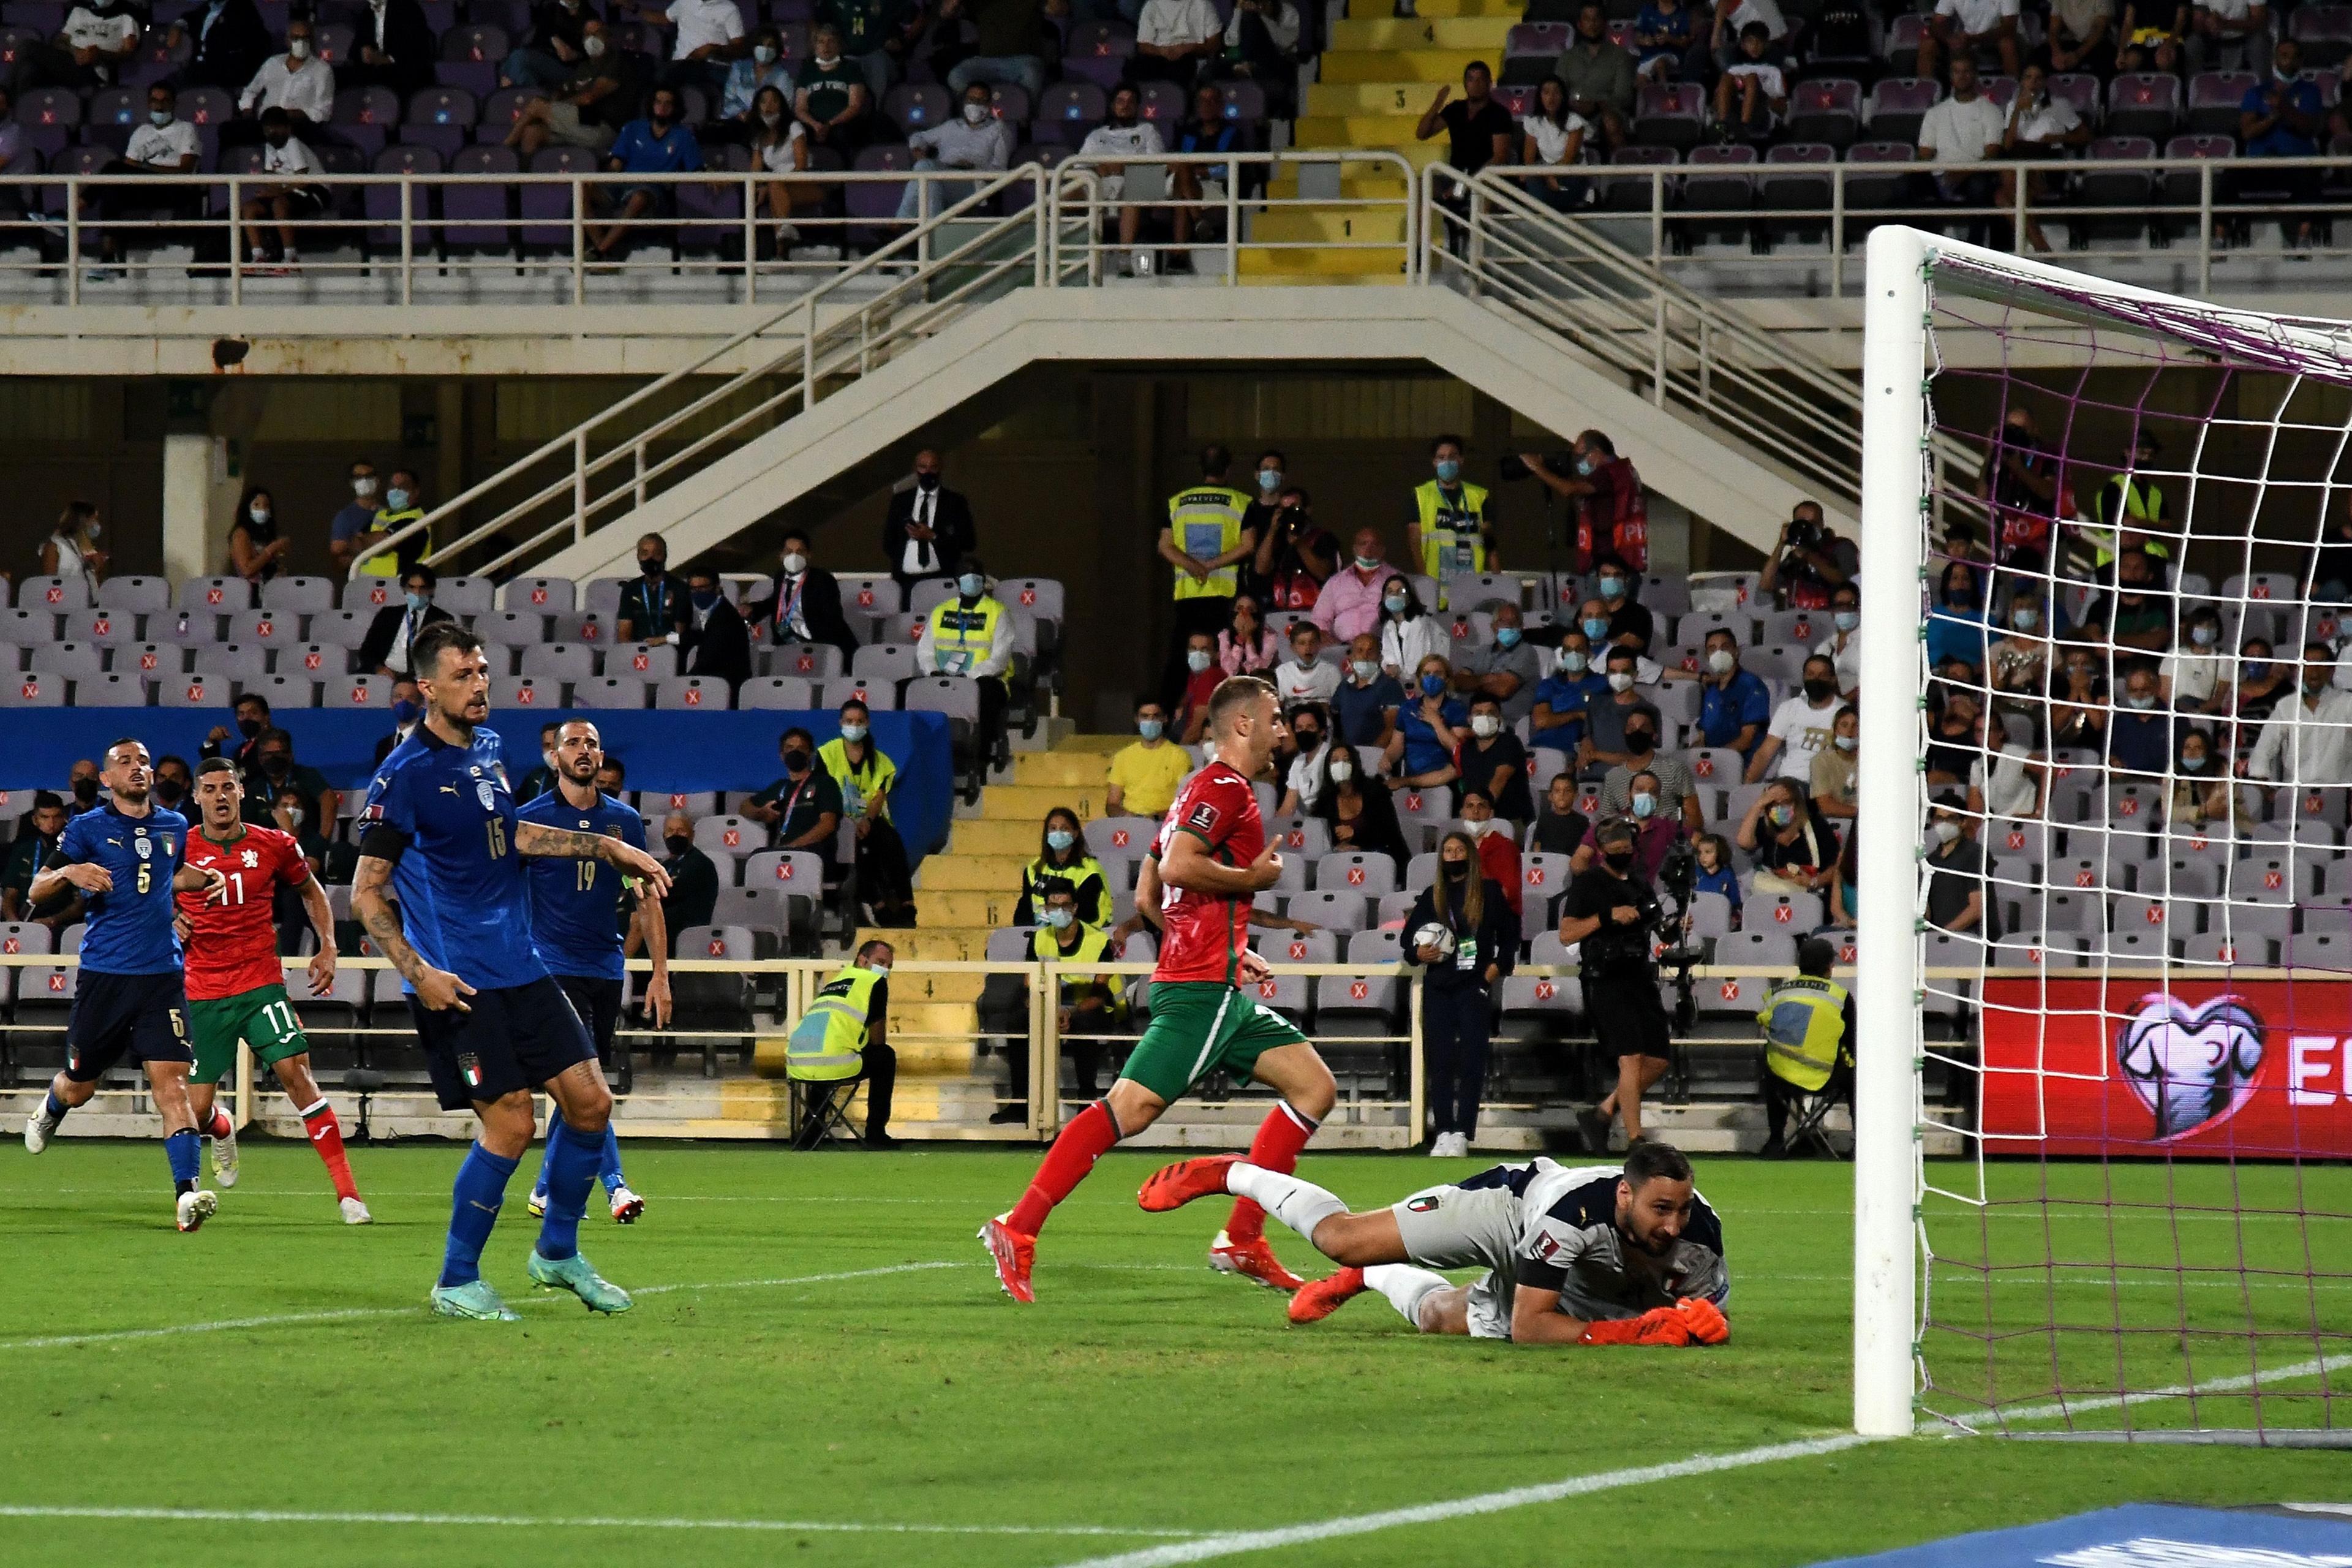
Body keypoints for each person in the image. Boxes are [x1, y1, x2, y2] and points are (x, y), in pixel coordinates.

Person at [980, 676, 1340, 1302]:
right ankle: (1019, 1226)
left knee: (1314, 1086)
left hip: (1214, 983)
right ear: (1244, 725)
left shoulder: (1194, 791)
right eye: (1276, 717)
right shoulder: (1225, 787)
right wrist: (1249, 879)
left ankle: (1242, 1237)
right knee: (1128, 1110)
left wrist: (1232, 944)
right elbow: (1176, 867)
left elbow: (1150, 892)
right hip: (1201, 992)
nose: (1285, 729)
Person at [353, 624, 671, 1319]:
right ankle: (456, 1278)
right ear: (427, 687)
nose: (479, 685)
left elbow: (514, 835)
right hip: (458, 984)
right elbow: (366, 890)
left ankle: (557, 1253)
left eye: (483, 671)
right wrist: (420, 971)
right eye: (463, 675)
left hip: (522, 968)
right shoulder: (404, 775)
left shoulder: (490, 751)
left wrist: (605, 847)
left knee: (590, 1104)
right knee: (512, 1124)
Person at [1139, 1140, 1730, 1348]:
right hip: (1510, 1210)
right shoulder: (1572, 1214)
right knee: (1345, 1239)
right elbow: (1531, 1328)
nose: (1673, 1226)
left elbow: (1704, 1315)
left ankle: (1373, 1279)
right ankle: (1233, 1173)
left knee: (1436, 1317)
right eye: (1660, 1209)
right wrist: (1628, 1333)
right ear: (1625, 1196)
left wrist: (1702, 1325)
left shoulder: (1700, 1236)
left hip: (1576, 1274)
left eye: (1680, 1209)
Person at [21, 740, 230, 1233]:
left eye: (143, 762)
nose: (137, 768)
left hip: (162, 978)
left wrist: (204, 879)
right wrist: (71, 871)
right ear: (108, 780)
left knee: (173, 1086)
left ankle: (186, 1195)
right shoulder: (87, 828)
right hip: (106, 978)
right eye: (125, 763)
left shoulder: (174, 825)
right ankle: (52, 1108)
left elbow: (164, 875)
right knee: (81, 1085)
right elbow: (36, 889)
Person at [175, 756, 369, 1222]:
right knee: (194, 1111)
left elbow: (312, 891)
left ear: (242, 793)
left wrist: (327, 946)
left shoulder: (275, 844)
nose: (220, 796)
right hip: (202, 989)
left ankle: (349, 1196)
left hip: (260, 982)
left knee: (295, 1073)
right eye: (210, 789)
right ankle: (221, 1125)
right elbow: (143, 898)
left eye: (228, 787)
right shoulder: (176, 849)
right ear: (197, 797)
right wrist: (169, 919)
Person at [518, 720, 668, 1220]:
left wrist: (661, 975)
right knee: (590, 1082)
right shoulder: (529, 820)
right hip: (550, 968)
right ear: (554, 756)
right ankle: (616, 1188)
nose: (585, 751)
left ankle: (544, 1187)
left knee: (578, 1090)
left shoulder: (625, 822)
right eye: (574, 744)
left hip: (605, 967)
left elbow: (646, 899)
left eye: (593, 744)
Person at [1561, 815, 1673, 1150]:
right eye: (1616, 848)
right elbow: (1566, 934)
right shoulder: (1588, 883)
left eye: (1628, 847)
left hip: (1639, 974)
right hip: (1606, 979)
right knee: (1631, 1058)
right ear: (1602, 850)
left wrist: (1674, 925)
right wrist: (1607, 917)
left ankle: (1603, 1112)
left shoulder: (1639, 882)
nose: (1623, 853)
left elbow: (1659, 928)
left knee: (1657, 1058)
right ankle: (1636, 1139)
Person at [1405, 829, 1518, 1155]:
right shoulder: (1432, 896)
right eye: (1448, 851)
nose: (1453, 855)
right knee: (1440, 1060)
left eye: (1459, 850)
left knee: (1472, 1058)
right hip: (1439, 986)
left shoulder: (1489, 891)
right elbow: (1408, 942)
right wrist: (1419, 954)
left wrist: (1497, 968)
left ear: (1470, 855)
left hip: (1474, 986)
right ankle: (1442, 1130)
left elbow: (1510, 936)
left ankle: (1463, 1133)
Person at [1001, 883, 1119, 1120]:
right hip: (1048, 1005)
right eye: (1053, 906)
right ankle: (1020, 1103)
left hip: (1086, 1006)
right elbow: (1030, 985)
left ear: (1075, 907)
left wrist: (1070, 1012)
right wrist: (1051, 1011)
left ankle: (1086, 1103)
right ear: (1045, 908)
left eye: (1065, 905)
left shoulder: (1099, 940)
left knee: (1085, 1027)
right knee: (1017, 1024)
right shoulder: (1039, 939)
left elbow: (1099, 992)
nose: (1059, 911)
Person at [1160, 443, 1256, 703]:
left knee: (1181, 658)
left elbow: (1165, 546)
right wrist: (1211, 566)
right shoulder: (1241, 502)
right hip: (1224, 595)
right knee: (1224, 658)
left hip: (1187, 595)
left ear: (1201, 468)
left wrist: (1193, 567)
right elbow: (1248, 545)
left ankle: (1167, 715)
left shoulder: (1176, 502)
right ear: (1229, 468)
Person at [785, 940, 899, 1148]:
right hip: (832, 1063)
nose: (884, 970)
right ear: (862, 960)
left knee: (827, 1060)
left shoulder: (835, 982)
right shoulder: (874, 982)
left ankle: (809, 1135)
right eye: (880, 962)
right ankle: (876, 1134)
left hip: (797, 1064)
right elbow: (877, 1039)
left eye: (889, 966)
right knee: (885, 1056)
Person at [1755, 937, 1853, 1158]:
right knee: (1857, 1071)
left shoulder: (1777, 994)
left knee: (1770, 1061)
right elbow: (1852, 1042)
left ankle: (1776, 1140)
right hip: (1825, 1079)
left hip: (1782, 1079)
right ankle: (1862, 1143)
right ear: (1830, 966)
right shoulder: (1840, 998)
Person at [821, 699, 916, 927]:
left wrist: (866, 820)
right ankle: (877, 904)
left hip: (869, 820)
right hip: (839, 819)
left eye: (859, 721)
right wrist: (849, 821)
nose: (854, 726)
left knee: (890, 842)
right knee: (857, 850)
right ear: (841, 723)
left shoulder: (881, 761)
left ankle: (907, 904)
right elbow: (824, 791)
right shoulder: (826, 754)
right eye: (849, 721)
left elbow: (878, 797)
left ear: (868, 724)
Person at [589, 85, 704, 260]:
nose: (662, 107)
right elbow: (616, 164)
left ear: (675, 107)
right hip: (621, 185)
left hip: (654, 191)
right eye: (658, 102)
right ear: (651, 104)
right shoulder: (633, 128)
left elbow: (696, 169)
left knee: (639, 198)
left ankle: (600, 251)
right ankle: (603, 250)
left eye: (668, 103)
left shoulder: (683, 136)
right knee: (582, 189)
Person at [922, 557, 1017, 766]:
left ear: (984, 579)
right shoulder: (941, 611)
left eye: (976, 575)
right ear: (957, 580)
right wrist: (933, 672)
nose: (972, 579)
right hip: (943, 678)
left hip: (986, 680)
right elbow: (925, 651)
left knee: (984, 693)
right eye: (966, 574)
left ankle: (980, 762)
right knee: (907, 689)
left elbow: (999, 660)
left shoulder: (998, 612)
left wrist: (968, 677)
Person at [1518, 432, 1649, 575]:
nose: (1578, 462)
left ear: (1596, 452)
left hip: (1609, 561)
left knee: (1595, 596)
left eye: (1581, 456)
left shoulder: (1606, 474)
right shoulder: (1624, 469)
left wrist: (1537, 467)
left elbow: (1568, 490)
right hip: (1629, 555)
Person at [504, 15, 631, 157]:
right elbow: (563, 90)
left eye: (597, 33)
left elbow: (588, 98)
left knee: (536, 105)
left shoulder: (616, 62)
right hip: (579, 123)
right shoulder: (584, 67)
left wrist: (548, 108)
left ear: (608, 37)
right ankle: (526, 178)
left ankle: (503, 151)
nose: (592, 39)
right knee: (532, 132)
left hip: (602, 128)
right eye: (588, 35)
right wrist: (551, 106)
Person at [1994, 61, 2089, 251]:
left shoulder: (2059, 105)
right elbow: (2008, 144)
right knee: (2002, 195)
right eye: (2028, 78)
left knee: (2005, 193)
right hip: (2019, 159)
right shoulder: (2014, 105)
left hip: (2048, 159)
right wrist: (2018, 110)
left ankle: (2033, 244)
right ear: (2022, 82)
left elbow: (2085, 135)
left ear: (2045, 82)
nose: (2033, 83)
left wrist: (2058, 137)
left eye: (2038, 78)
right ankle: (2040, 244)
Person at [1077, 84, 1167, 270]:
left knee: (1134, 189)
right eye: (1120, 101)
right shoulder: (1096, 136)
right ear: (1112, 106)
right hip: (1101, 185)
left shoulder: (1148, 131)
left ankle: (1125, 259)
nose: (1125, 106)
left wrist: (1124, 168)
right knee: (1065, 189)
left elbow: (1156, 164)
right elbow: (1078, 167)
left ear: (1137, 107)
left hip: (1137, 184)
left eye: (1130, 102)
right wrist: (1097, 170)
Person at [2245, 642, 2352, 793]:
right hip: (2295, 793)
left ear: (2332, 670)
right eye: (2308, 664)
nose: (2314, 670)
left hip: (2340, 793)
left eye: (2320, 664)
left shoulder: (2348, 703)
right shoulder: (2286, 706)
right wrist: (2267, 790)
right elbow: (2263, 749)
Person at [748, 530, 861, 663]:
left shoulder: (823, 580)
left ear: (808, 555)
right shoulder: (780, 577)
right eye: (789, 552)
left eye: (800, 552)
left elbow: (832, 620)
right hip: (787, 644)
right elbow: (776, 603)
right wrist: (752, 609)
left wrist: (809, 645)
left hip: (821, 645)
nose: (794, 556)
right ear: (781, 555)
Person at [745, 728, 845, 872]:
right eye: (790, 748)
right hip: (782, 853)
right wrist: (760, 813)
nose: (795, 752)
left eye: (801, 748)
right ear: (782, 755)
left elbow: (827, 824)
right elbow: (745, 807)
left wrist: (794, 847)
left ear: (810, 754)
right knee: (756, 859)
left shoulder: (825, 783)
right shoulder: (780, 786)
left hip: (814, 852)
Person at [1408, 434, 1497, 592]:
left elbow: (1489, 543)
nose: (1446, 462)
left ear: (1461, 460)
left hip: (1472, 589)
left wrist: (1497, 579)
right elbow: (1415, 543)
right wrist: (1425, 584)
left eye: (1452, 457)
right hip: (1436, 590)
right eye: (1441, 457)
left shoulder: (1479, 495)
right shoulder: (1421, 495)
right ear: (1434, 462)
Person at [1917, 55, 2006, 208]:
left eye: (1966, 72)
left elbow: (1992, 152)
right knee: (1903, 185)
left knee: (1979, 186)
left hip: (1974, 173)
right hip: (1939, 174)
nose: (1962, 77)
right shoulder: (1935, 112)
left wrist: (1963, 173)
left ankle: (1976, 233)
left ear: (1975, 75)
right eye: (1957, 72)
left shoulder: (1991, 111)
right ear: (1951, 76)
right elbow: (1925, 152)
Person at [881, 448, 977, 591]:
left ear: (940, 468)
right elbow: (889, 541)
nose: (928, 472)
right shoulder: (901, 501)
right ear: (916, 469)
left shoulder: (955, 502)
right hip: (905, 581)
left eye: (933, 467)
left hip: (942, 580)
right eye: (923, 467)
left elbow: (968, 542)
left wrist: (933, 536)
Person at [1747, 654, 1845, 785]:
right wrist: (1746, 786)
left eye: (1822, 675)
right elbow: (1764, 753)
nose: (1816, 679)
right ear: (1804, 678)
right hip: (1787, 784)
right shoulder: (1789, 707)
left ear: (1833, 679)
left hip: (1824, 787)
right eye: (1811, 674)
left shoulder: (1845, 712)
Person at [1597, 712, 1702, 835]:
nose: (1637, 732)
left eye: (1643, 728)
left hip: (1668, 840)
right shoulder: (1613, 777)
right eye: (1632, 728)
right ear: (1625, 734)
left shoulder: (1675, 769)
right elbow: (1608, 821)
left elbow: (1695, 819)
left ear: (1655, 735)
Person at [1555, 2, 1637, 151]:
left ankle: (1621, 171)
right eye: (1587, 19)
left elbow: (1623, 97)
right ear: (1580, 25)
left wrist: (1596, 105)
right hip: (1573, 111)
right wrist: (1573, 105)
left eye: (1596, 19)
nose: (1592, 24)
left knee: (1611, 122)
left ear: (1605, 23)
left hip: (1607, 112)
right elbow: (1558, 90)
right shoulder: (1567, 57)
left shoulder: (1620, 56)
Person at [1740, 776, 1838, 898]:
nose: (1779, 809)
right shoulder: (1766, 826)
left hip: (1810, 894)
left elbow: (1836, 867)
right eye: (1774, 804)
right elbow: (1744, 842)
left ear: (1797, 805)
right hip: (1773, 893)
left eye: (1786, 803)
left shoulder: (1817, 826)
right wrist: (1759, 804)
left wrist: (1815, 882)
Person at [1314, 741, 1409, 863]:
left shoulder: (1376, 792)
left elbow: (1390, 835)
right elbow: (1321, 839)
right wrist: (1337, 847)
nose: (1341, 765)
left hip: (1379, 858)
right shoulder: (1325, 801)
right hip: (1342, 862)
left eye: (1346, 760)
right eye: (1335, 761)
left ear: (1355, 764)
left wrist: (1356, 834)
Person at [357, 564, 454, 680]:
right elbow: (367, 651)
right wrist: (379, 669)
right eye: (412, 587)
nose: (417, 593)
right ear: (404, 589)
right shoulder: (387, 615)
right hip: (384, 673)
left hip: (418, 678)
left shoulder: (443, 620)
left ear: (431, 590)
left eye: (422, 588)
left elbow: (442, 658)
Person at [1251, 482, 1337, 614]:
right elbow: (1261, 569)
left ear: (1307, 510)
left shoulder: (1323, 538)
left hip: (1313, 611)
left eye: (1294, 509)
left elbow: (1323, 573)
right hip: (1277, 612)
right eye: (1284, 510)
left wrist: (1300, 544)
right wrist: (1272, 530)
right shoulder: (1276, 539)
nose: (1290, 515)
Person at [1453, 601, 1542, 725]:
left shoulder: (1526, 652)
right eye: (1502, 621)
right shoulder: (1482, 651)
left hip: (1505, 724)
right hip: (1469, 720)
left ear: (1521, 627)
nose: (1509, 626)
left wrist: (1474, 681)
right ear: (1494, 626)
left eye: (1514, 622)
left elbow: (1503, 689)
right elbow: (1458, 682)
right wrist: (1488, 679)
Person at [1016, 806, 1108, 925]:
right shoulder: (1033, 869)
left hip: (1087, 935)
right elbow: (1022, 914)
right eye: (1053, 829)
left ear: (1075, 833)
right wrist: (1036, 919)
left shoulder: (1090, 870)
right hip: (1040, 934)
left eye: (1064, 829)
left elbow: (1088, 914)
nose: (1058, 833)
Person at [1757, 500, 1856, 612]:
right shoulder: (1794, 557)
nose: (1806, 529)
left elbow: (1844, 582)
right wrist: (1781, 544)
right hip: (1797, 622)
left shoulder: (1840, 547)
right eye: (1801, 523)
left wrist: (1808, 555)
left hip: (1829, 621)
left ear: (1821, 524)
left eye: (1811, 523)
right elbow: (1766, 585)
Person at [1391, 654, 1468, 793]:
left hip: (1444, 782)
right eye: (1426, 673)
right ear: (1420, 678)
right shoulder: (1408, 708)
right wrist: (1387, 760)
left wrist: (1436, 722)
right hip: (1409, 782)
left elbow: (1457, 750)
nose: (1431, 678)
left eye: (1438, 673)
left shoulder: (1457, 709)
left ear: (1447, 678)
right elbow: (1396, 745)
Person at [1578, 646, 1657, 780]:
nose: (1619, 677)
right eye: (1613, 672)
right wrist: (1585, 752)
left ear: (1635, 674)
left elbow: (1643, 759)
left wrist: (1596, 755)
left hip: (1628, 783)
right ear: (1606, 674)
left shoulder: (1649, 711)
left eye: (1625, 672)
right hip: (1591, 782)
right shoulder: (1595, 704)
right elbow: (1587, 737)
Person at [1311, 528, 1398, 647]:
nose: (1368, 549)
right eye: (1363, 544)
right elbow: (1320, 618)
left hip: (1382, 647)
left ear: (1383, 550)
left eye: (1375, 544)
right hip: (1341, 648)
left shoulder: (1396, 580)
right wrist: (1322, 633)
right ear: (1354, 549)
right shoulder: (1336, 582)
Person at [1105, 699, 1189, 820]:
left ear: (1165, 719)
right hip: (1130, 824)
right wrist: (1126, 816)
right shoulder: (1123, 756)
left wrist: (1156, 817)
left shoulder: (1180, 756)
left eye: (1155, 716)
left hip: (1163, 824)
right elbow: (1112, 804)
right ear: (1137, 720)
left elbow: (1185, 803)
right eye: (1145, 716)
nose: (1150, 721)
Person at [1695, 628, 1771, 760]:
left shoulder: (1752, 685)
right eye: (1712, 649)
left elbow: (1746, 740)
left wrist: (1715, 758)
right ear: (1707, 655)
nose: (1719, 653)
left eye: (1725, 647)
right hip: (1710, 763)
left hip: (1738, 763)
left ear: (1736, 652)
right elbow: (1702, 737)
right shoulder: (1711, 691)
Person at [2, 793, 77, 928]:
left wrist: (54, 920)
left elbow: (81, 902)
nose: (51, 824)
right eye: (45, 817)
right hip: (25, 921)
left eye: (57, 817)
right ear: (35, 820)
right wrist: (15, 923)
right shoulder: (23, 849)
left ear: (65, 819)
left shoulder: (75, 850)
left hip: (62, 924)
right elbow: (10, 894)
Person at [1455, 695, 1532, 823]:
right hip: (1476, 818)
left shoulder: (1510, 742)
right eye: (1478, 714)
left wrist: (1478, 813)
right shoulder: (1467, 748)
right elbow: (1457, 777)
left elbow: (1499, 781)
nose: (1485, 718)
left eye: (1491, 713)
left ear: (1499, 719)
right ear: (1469, 720)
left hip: (1511, 821)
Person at [1921, 794, 1990, 937]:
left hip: (1967, 940)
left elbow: (1977, 908)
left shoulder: (1975, 853)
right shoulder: (1930, 861)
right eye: (1939, 819)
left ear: (1963, 822)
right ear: (1933, 822)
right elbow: (1926, 913)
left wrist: (1944, 935)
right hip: (1936, 941)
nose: (1944, 824)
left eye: (1951, 819)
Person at [1528, 631, 1605, 758]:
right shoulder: (1549, 685)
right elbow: (1542, 721)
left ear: (1588, 652)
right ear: (1563, 655)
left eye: (1579, 649)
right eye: (1568, 650)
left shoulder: (1602, 684)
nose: (1574, 654)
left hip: (1575, 751)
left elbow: (1601, 721)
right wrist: (1578, 714)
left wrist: (1556, 718)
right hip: (1541, 747)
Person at [646, 809, 718, 944]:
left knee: (641, 919)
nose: (675, 835)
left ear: (692, 835)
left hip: (687, 927)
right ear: (664, 836)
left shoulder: (700, 863)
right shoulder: (666, 864)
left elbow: (668, 892)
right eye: (670, 831)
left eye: (681, 831)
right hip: (664, 923)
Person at [679, 563, 753, 693]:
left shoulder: (725, 617)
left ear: (717, 588)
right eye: (693, 589)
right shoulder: (715, 611)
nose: (698, 593)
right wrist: (668, 639)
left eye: (703, 588)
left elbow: (708, 660)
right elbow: (703, 635)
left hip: (726, 685)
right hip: (715, 679)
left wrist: (682, 682)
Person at [1519, 77, 1590, 211]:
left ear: (1563, 96)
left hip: (1571, 175)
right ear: (1540, 97)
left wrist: (1552, 175)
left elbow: (1569, 159)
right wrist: (1547, 175)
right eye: (1546, 93)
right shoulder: (1533, 122)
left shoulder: (1574, 122)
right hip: (1545, 175)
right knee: (1531, 179)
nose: (1551, 97)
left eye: (1556, 93)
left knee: (1542, 199)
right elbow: (1529, 159)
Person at [1712, 21, 1787, 141]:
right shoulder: (1733, 69)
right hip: (1735, 109)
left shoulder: (1773, 71)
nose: (1755, 46)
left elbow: (1782, 108)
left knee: (1751, 78)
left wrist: (1769, 100)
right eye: (1750, 41)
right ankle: (1722, 126)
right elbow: (1716, 103)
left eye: (1760, 42)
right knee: (1727, 76)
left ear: (1766, 45)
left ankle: (1743, 127)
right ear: (1743, 45)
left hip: (1760, 113)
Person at [1331, 633, 1405, 752]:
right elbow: (1336, 723)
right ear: (1352, 658)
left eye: (1371, 651)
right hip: (1348, 756)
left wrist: (1369, 755)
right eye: (1360, 651)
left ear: (1380, 658)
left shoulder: (1390, 686)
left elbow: (1392, 729)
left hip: (1378, 755)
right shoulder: (1344, 686)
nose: (1365, 656)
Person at [615, 532, 691, 645]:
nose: (650, 559)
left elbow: (681, 633)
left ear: (664, 556)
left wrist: (660, 642)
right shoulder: (631, 589)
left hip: (669, 650)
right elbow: (624, 634)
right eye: (645, 554)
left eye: (656, 554)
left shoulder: (680, 588)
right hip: (637, 651)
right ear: (638, 557)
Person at [1920, 0, 2021, 80]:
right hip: (1971, 40)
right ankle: (1925, 97)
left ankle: (2014, 94)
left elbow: (2009, 29)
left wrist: (1974, 39)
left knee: (2007, 44)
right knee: (1928, 44)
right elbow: (1936, 23)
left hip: (2002, 39)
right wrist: (1950, 39)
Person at [1377, 576, 1446, 680]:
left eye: (1401, 591)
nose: (1395, 595)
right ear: (1383, 598)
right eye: (1390, 592)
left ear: (1409, 598)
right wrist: (1391, 667)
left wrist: (1399, 673)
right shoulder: (1389, 625)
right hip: (1404, 682)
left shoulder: (1420, 623)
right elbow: (1388, 656)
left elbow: (1417, 666)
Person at [329, 459, 387, 576]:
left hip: (387, 575)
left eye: (369, 476)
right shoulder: (345, 516)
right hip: (360, 578)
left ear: (377, 480)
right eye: (359, 477)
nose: (364, 480)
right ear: (352, 482)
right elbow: (337, 550)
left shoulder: (387, 513)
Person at [1275, 703, 1331, 816]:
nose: (1304, 732)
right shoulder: (1298, 762)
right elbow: (1288, 807)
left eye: (1310, 727)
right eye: (1299, 728)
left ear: (1322, 731)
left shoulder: (1331, 756)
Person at [1272, 620, 1341, 709]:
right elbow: (1278, 705)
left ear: (1319, 644)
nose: (1308, 648)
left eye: (1312, 642)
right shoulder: (1282, 671)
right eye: (1302, 643)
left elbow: (1338, 707)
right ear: (1293, 647)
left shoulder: (1332, 672)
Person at [1811, 705, 1859, 824]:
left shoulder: (1873, 760)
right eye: (1844, 725)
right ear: (1836, 730)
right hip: (1835, 822)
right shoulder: (1821, 761)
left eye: (1855, 726)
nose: (1849, 732)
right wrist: (1862, 812)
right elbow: (1826, 806)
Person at [1218, 594, 1281, 676]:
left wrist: (1249, 638)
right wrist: (1239, 642)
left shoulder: (1270, 637)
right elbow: (1229, 670)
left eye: (1250, 610)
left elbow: (1259, 670)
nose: (1244, 614)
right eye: (1239, 609)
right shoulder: (1224, 635)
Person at [1532, 774, 1591, 858]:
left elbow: (1584, 849)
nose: (1562, 795)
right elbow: (1537, 844)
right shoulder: (1544, 819)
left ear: (1575, 795)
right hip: (1548, 863)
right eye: (1557, 791)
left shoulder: (1582, 821)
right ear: (1550, 796)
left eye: (1567, 791)